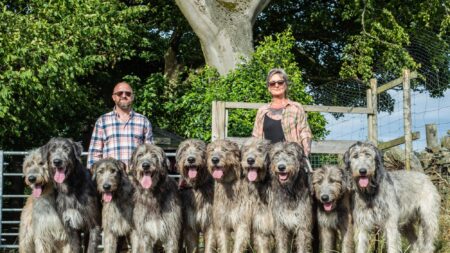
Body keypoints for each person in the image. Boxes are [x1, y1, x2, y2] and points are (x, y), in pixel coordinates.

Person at [87, 81, 153, 170]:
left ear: (132, 97)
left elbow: (150, 153)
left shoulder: (143, 121)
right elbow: (94, 154)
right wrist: (93, 177)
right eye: (119, 93)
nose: (124, 95)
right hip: (111, 178)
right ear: (113, 97)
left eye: (128, 94)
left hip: (136, 178)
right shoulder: (102, 121)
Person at [252, 68, 312, 156]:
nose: (276, 85)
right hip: (268, 159)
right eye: (272, 83)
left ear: (286, 85)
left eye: (280, 82)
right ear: (269, 88)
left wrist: (306, 151)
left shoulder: (296, 107)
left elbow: (305, 132)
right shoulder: (262, 111)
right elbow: (255, 137)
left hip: (291, 159)